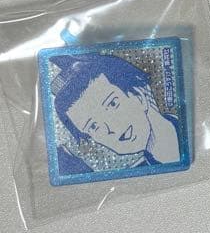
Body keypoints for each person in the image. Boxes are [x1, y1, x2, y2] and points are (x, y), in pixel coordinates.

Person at [50, 52, 181, 169]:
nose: (111, 128)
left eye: (112, 104)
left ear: (139, 95)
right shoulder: (138, 175)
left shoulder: (188, 129)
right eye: (93, 126)